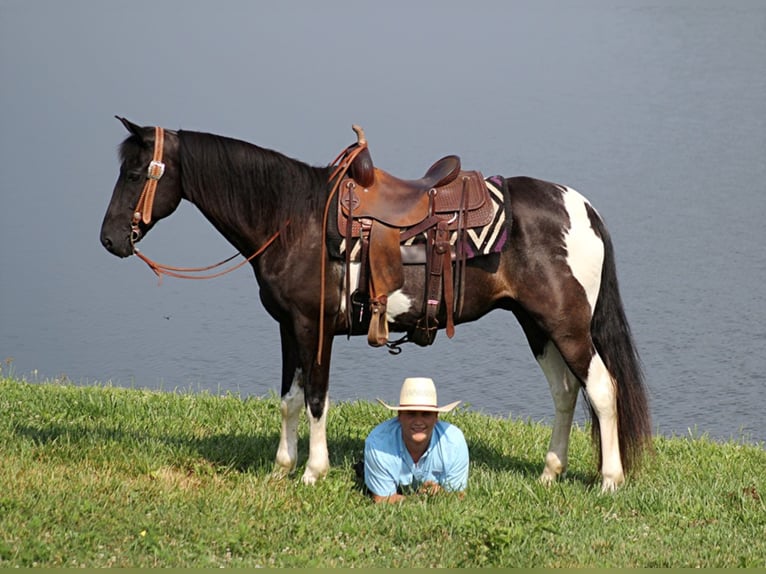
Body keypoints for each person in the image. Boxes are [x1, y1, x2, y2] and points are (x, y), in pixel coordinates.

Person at [363, 377, 469, 503]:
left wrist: (440, 493)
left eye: (426, 414)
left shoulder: (454, 442)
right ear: (399, 416)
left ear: (436, 417)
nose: (418, 422)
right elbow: (382, 499)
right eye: (411, 414)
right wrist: (420, 499)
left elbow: (458, 496)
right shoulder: (378, 444)